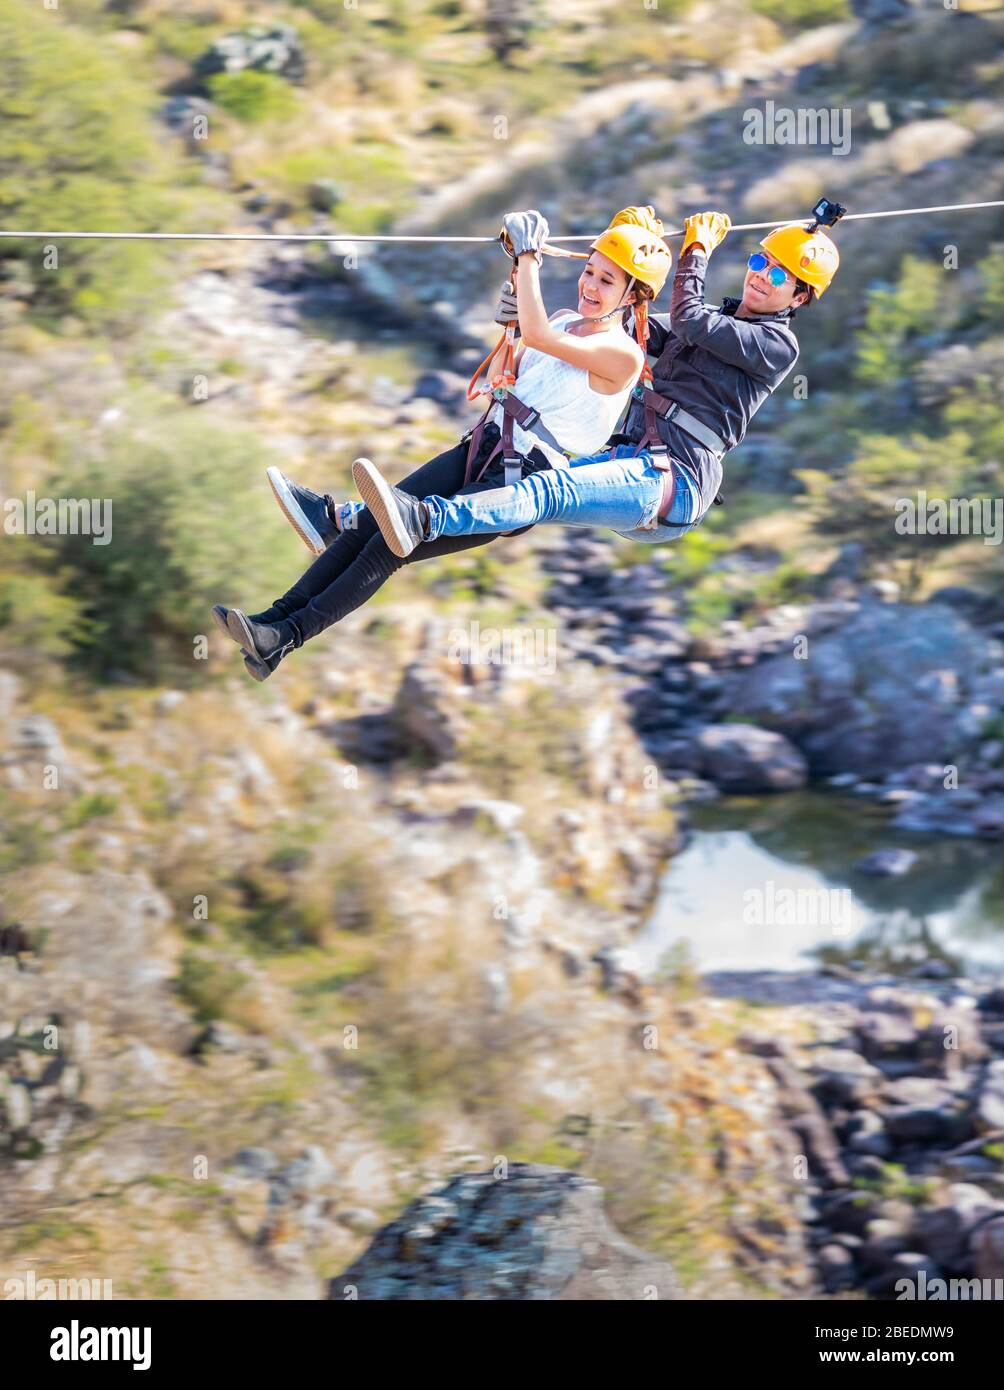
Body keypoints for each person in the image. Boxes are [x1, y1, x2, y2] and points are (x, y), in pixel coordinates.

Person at [213, 206, 673, 679]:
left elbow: (536, 333)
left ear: (632, 297)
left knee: (388, 548)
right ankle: (270, 623)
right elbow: (502, 379)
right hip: (482, 443)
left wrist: (529, 258)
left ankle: (285, 638)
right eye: (589, 271)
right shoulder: (559, 320)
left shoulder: (623, 355)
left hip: (520, 479)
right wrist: (511, 329)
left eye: (607, 282)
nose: (590, 287)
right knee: (370, 525)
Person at [354, 209, 840, 558]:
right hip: (629, 458)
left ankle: (424, 518)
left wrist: (695, 250)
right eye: (760, 263)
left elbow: (690, 321)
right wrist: (632, 238)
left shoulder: (775, 348)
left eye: (779, 274)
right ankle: (356, 524)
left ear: (799, 297)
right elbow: (627, 323)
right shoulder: (715, 321)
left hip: (676, 481)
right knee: (528, 481)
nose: (761, 276)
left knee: (547, 490)